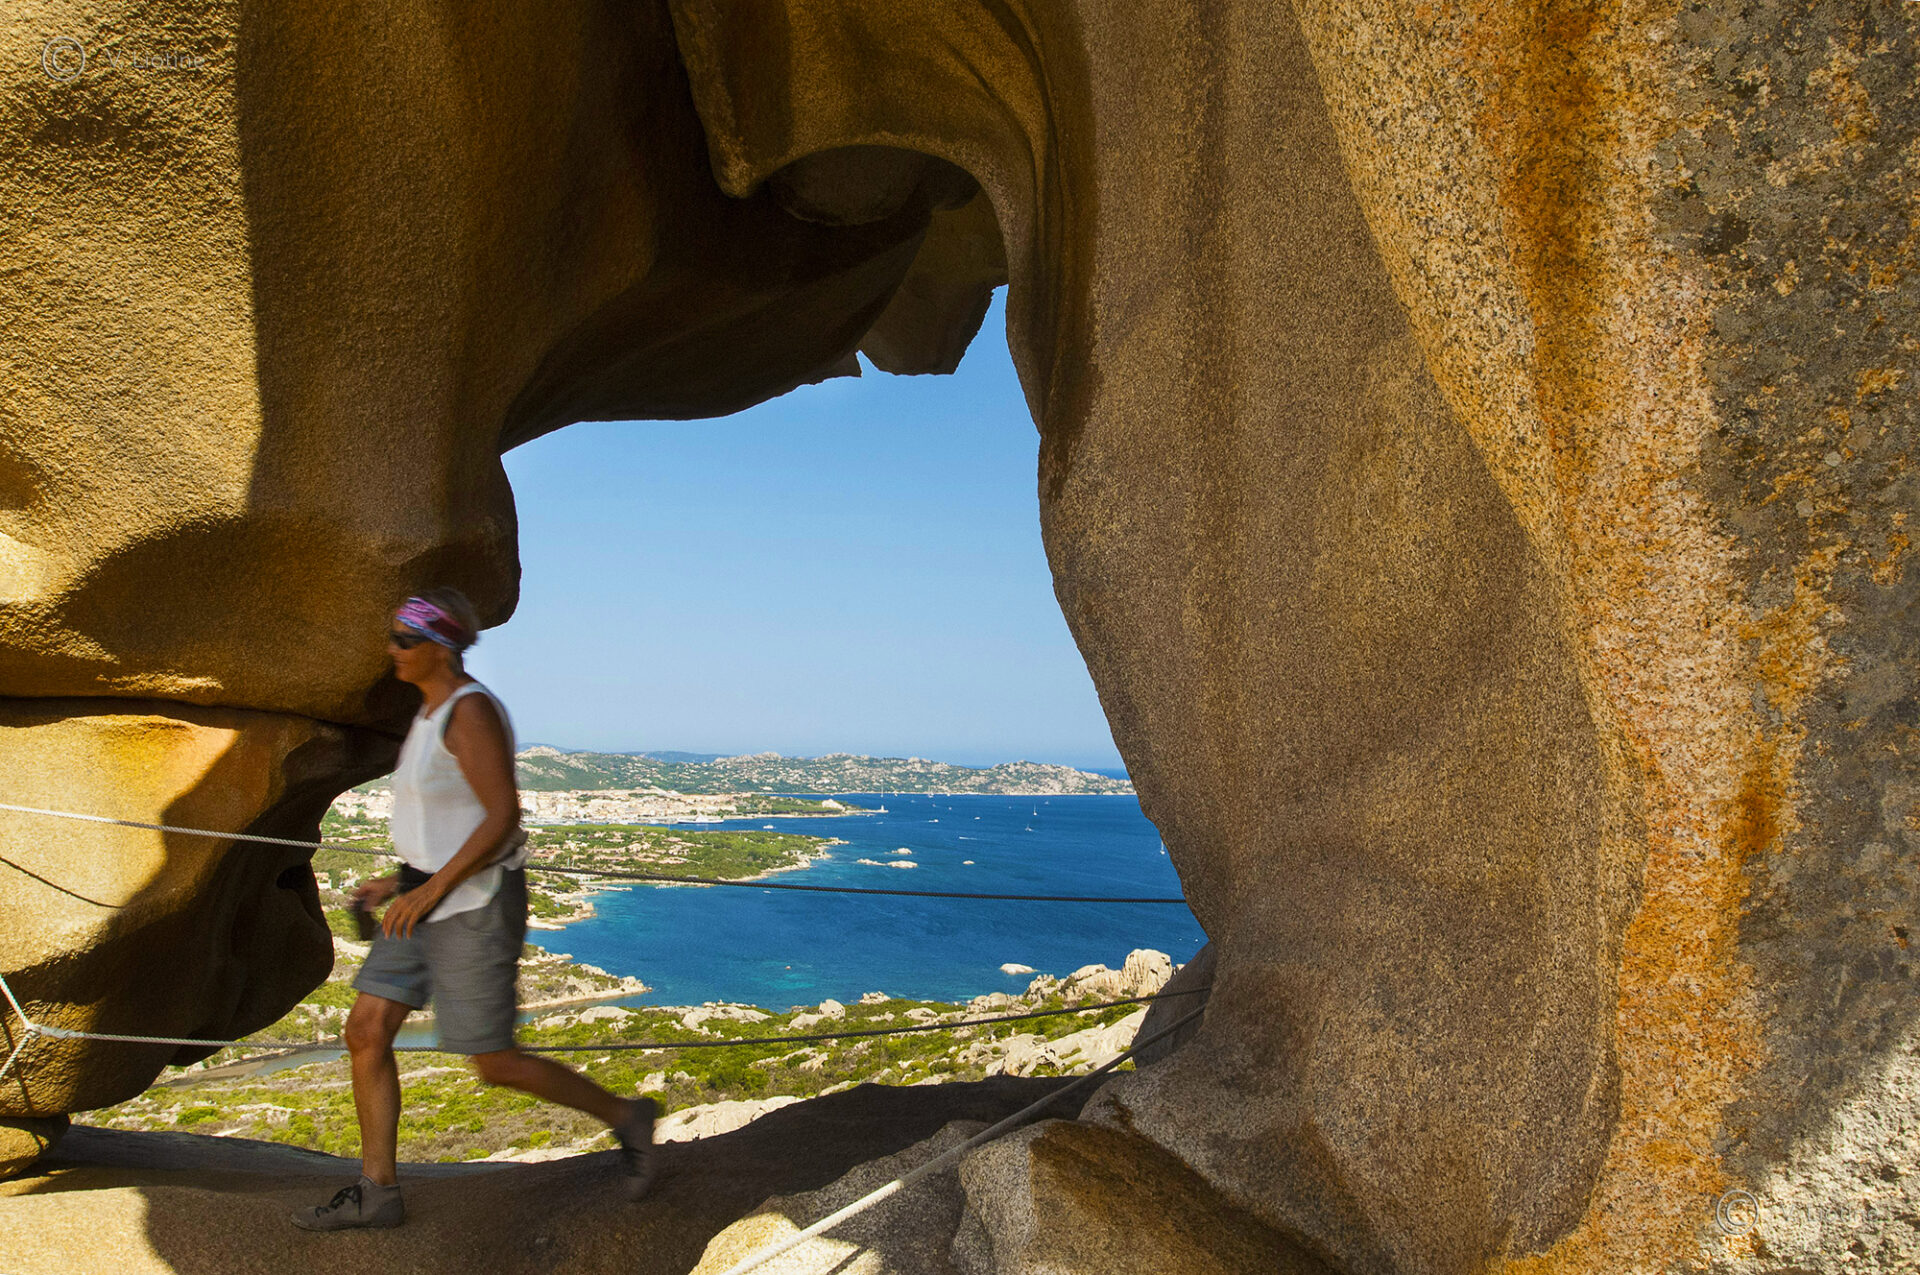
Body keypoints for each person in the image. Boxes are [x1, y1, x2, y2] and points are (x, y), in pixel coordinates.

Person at [292, 588, 657, 1230]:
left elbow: (502, 815)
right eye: (393, 635)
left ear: (442, 646)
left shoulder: (470, 711)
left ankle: (627, 1117)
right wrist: (396, 881)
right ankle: (377, 1191)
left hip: (473, 904)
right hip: (420, 899)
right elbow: (444, 820)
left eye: (404, 638)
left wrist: (430, 889)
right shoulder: (428, 713)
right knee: (366, 1031)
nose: (391, 649)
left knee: (494, 1062)